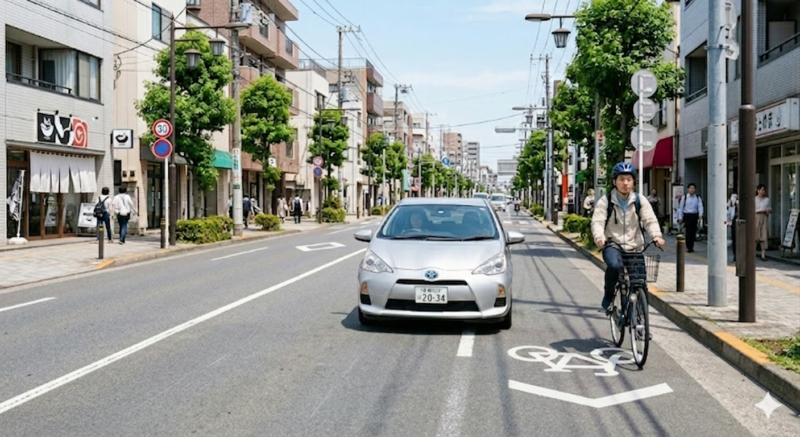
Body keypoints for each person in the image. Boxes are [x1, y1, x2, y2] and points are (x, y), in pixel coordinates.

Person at [591, 162, 664, 311]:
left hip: (635, 246)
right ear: (614, 182)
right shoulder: (605, 201)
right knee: (614, 266)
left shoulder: (640, 200)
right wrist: (599, 238)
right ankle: (609, 295)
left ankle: (641, 323)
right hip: (612, 245)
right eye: (621, 179)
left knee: (641, 283)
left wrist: (656, 236)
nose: (625, 183)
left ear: (633, 182)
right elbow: (597, 222)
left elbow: (649, 220)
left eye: (629, 179)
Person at [677, 183, 704, 253]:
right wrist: (680, 217)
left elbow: (700, 206)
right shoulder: (685, 197)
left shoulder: (697, 197)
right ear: (688, 189)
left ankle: (691, 246)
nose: (692, 190)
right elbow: (681, 207)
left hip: (694, 215)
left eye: (693, 188)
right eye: (691, 188)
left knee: (693, 232)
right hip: (687, 215)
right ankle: (689, 247)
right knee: (688, 231)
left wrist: (700, 214)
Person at [755, 184, 772, 261]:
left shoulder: (767, 199)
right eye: (761, 190)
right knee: (755, 235)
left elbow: (770, 208)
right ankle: (752, 252)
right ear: (758, 190)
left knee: (764, 235)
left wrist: (768, 210)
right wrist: (760, 210)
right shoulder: (754, 199)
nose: (762, 191)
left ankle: (763, 254)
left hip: (764, 217)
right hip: (756, 217)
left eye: (764, 190)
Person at [726, 193, 738, 262]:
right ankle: (735, 255)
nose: (733, 200)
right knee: (734, 240)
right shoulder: (729, 205)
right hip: (732, 224)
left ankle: (737, 255)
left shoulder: (738, 205)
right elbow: (727, 214)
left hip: (738, 224)